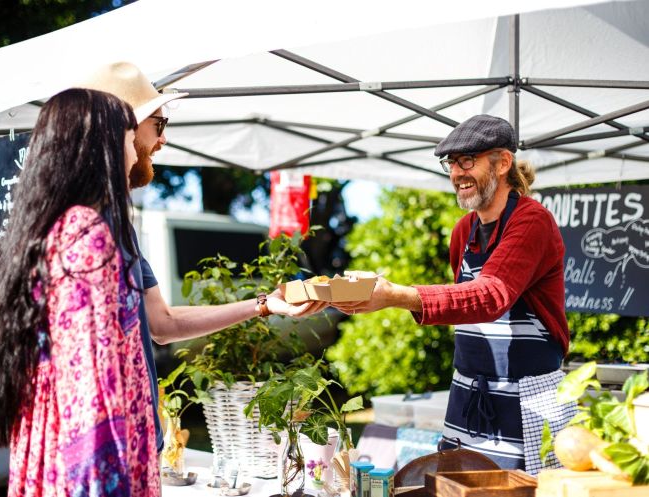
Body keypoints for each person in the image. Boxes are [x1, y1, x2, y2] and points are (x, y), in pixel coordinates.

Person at [80, 62, 327, 452]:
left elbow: (162, 323)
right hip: (103, 454)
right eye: (159, 124)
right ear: (124, 131)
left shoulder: (116, 225)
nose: (163, 139)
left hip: (131, 449)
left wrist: (265, 304)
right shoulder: (85, 228)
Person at [334, 115, 575, 474]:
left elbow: (490, 296)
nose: (457, 173)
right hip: (468, 398)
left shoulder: (532, 221)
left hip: (526, 401)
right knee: (455, 487)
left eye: (468, 161)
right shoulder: (464, 230)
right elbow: (465, 307)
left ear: (503, 162)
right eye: (451, 163)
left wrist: (395, 296)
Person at [0, 88, 161, 495]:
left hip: (42, 459)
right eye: (129, 139)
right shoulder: (86, 234)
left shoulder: (35, 235)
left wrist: (37, 414)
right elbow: (92, 394)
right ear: (102, 149)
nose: (133, 154)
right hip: (83, 476)